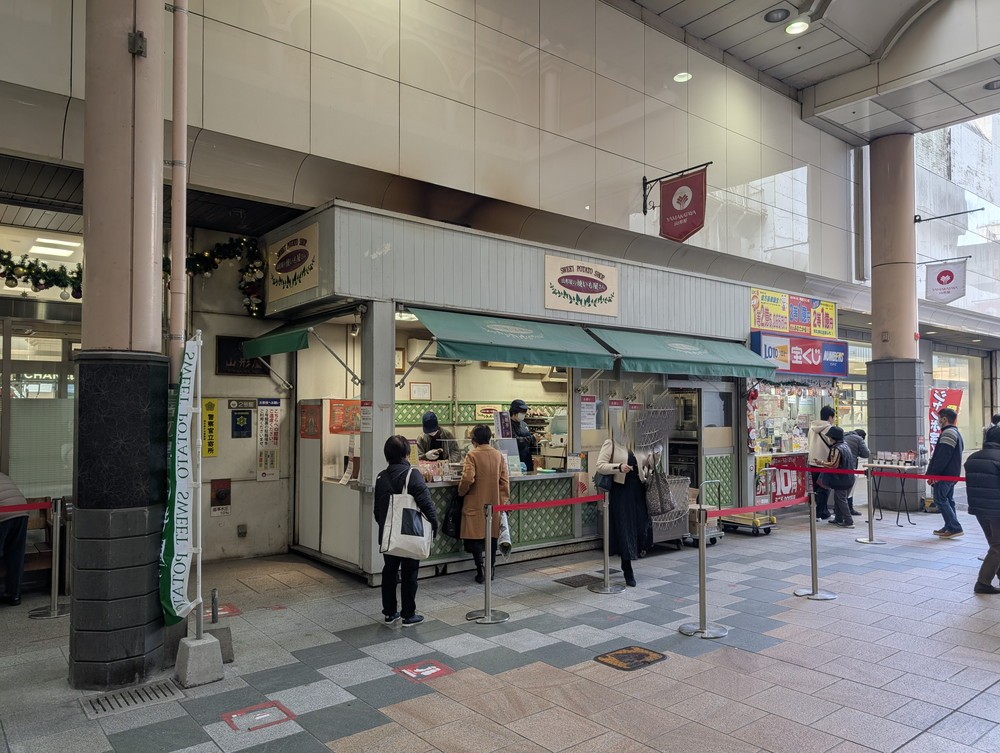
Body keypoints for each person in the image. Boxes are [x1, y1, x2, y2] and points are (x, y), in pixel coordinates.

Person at [374, 435, 438, 627]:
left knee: (389, 571)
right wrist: (434, 523)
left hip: (389, 534)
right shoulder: (413, 474)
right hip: (410, 532)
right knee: (410, 573)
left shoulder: (381, 477)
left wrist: (386, 526)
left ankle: (389, 612)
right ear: (406, 454)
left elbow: (377, 510)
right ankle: (408, 614)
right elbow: (426, 503)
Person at [596, 425, 651, 587]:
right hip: (621, 490)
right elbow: (600, 465)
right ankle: (627, 567)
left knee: (642, 524)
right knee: (625, 528)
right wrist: (618, 467)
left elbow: (648, 465)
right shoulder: (611, 443)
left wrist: (656, 454)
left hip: (638, 489)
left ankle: (636, 550)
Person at [459, 424, 509, 583]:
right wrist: (502, 501)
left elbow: (468, 478)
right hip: (494, 503)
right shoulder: (498, 455)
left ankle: (480, 568)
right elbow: (504, 482)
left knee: (474, 535)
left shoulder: (472, 455)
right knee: (492, 536)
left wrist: (461, 491)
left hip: (475, 501)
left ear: (474, 439)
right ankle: (491, 568)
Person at [964, 426, 1000, 593]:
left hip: (979, 509)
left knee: (994, 543)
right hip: (997, 509)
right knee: (998, 545)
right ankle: (983, 583)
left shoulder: (973, 458)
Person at [927, 407, 964, 538]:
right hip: (952, 474)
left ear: (944, 419)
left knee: (940, 500)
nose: (938, 421)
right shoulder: (956, 432)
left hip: (945, 474)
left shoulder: (948, 433)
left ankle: (954, 527)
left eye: (939, 418)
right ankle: (949, 525)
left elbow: (942, 456)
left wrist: (934, 474)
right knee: (948, 499)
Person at [0, 472, 30, 606]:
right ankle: (14, 595)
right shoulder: (3, 476)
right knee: (16, 555)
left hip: (3, 514)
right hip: (21, 511)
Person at [817, 426, 855, 528]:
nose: (829, 438)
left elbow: (834, 464)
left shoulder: (836, 448)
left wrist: (821, 462)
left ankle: (849, 521)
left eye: (830, 437)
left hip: (841, 478)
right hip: (848, 477)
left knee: (841, 499)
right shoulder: (845, 445)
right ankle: (838, 518)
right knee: (838, 498)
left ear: (833, 437)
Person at [807, 406, 836, 520]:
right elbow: (833, 443)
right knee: (824, 488)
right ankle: (822, 512)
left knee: (815, 488)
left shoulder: (812, 427)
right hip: (824, 462)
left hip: (812, 461)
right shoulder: (829, 428)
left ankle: (817, 512)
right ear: (830, 417)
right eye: (833, 417)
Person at [843, 429, 871, 516]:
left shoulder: (844, 435)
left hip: (839, 466)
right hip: (851, 466)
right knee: (850, 489)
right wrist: (858, 452)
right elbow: (866, 454)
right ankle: (849, 509)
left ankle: (840, 510)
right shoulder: (859, 439)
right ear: (862, 436)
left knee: (841, 489)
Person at [509, 399, 538, 473]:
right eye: (521, 412)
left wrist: (536, 440)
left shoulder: (524, 424)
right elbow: (515, 441)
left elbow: (530, 440)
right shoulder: (508, 425)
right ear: (514, 412)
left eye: (524, 412)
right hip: (515, 460)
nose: (523, 414)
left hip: (527, 459)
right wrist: (531, 438)